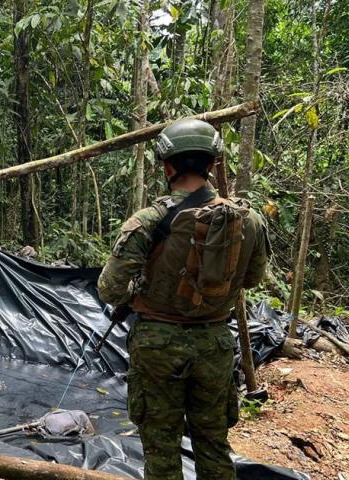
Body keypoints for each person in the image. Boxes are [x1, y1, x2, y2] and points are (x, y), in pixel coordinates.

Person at [97, 119, 270, 480]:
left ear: (167, 165)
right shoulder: (248, 220)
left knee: (161, 448)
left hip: (158, 346)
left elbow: (110, 289)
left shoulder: (149, 220)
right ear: (212, 163)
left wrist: (140, 292)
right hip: (215, 344)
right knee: (214, 444)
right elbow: (251, 279)